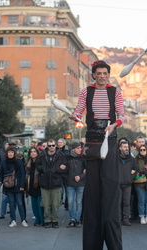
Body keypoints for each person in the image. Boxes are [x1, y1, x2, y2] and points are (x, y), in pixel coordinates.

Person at [69, 60, 125, 250]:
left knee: (109, 184)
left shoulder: (115, 91)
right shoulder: (86, 91)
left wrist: (113, 125)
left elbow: (122, 115)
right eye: (98, 73)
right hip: (92, 140)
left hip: (109, 139)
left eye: (105, 73)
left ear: (108, 75)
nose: (102, 76)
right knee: (92, 188)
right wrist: (75, 116)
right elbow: (79, 111)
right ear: (93, 75)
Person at [36, 139, 69, 229]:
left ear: (56, 146)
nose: (51, 147)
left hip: (56, 182)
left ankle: (55, 220)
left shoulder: (60, 154)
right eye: (49, 146)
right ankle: (47, 220)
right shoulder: (42, 154)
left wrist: (58, 169)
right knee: (46, 205)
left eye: (53, 145)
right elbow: (37, 165)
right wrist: (43, 169)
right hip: (44, 182)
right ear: (47, 146)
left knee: (55, 204)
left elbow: (66, 167)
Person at [0, 147, 27, 228]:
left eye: (12, 152)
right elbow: (1, 173)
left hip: (18, 186)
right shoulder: (4, 162)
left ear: (14, 153)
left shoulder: (19, 162)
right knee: (11, 203)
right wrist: (0, 181)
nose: (10, 154)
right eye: (9, 152)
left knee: (20, 203)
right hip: (8, 186)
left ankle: (23, 220)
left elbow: (22, 174)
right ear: (7, 153)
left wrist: (22, 186)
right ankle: (13, 220)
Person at [65, 142, 86, 228]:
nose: (80, 149)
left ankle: (77, 219)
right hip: (70, 183)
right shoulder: (67, 157)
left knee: (78, 202)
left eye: (80, 148)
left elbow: (87, 170)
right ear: (73, 149)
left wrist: (80, 177)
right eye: (78, 148)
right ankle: (72, 219)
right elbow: (64, 170)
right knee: (70, 202)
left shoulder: (83, 158)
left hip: (80, 183)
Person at [25, 147, 44, 226]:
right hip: (31, 185)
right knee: (34, 204)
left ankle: (42, 220)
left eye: (34, 152)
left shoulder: (40, 162)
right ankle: (37, 219)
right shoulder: (27, 163)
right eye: (31, 152)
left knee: (40, 204)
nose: (33, 153)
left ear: (37, 153)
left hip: (39, 185)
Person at [0, 141, 9, 219]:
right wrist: (1, 167)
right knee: (4, 197)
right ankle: (2, 212)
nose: (8, 146)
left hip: (12, 178)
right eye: (7, 144)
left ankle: (11, 210)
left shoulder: (13, 153)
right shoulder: (0, 153)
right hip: (4, 176)